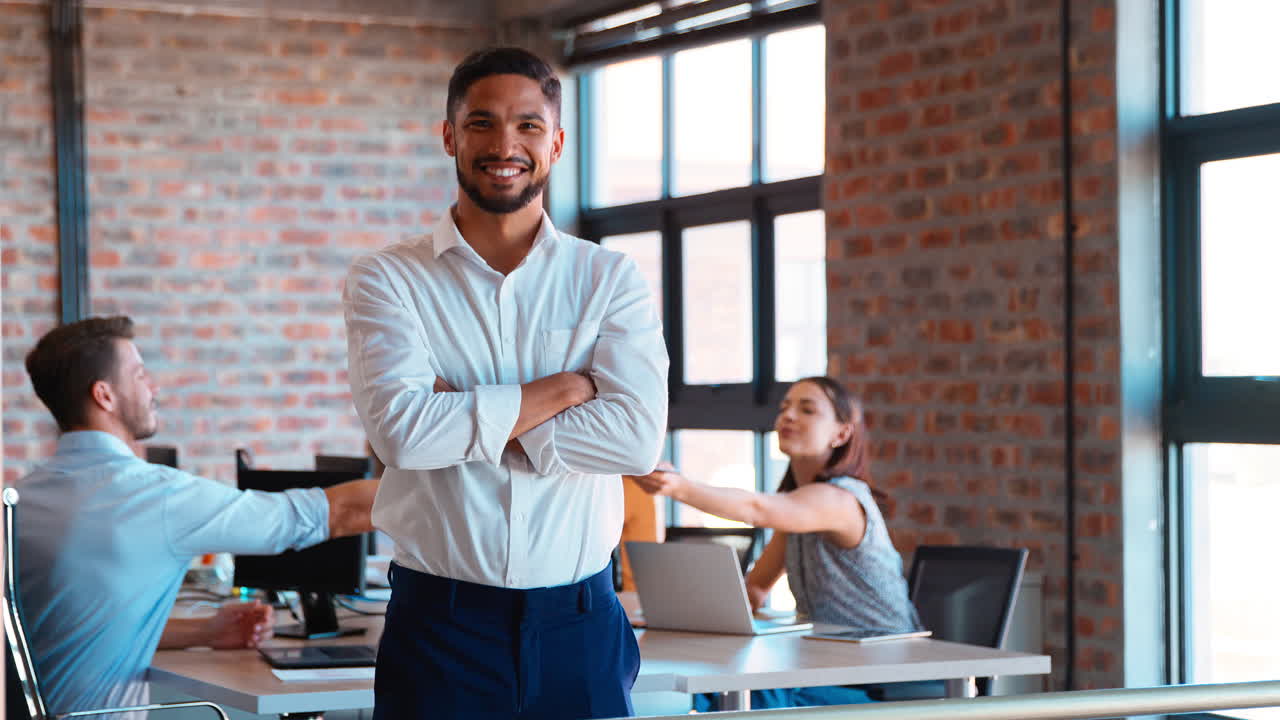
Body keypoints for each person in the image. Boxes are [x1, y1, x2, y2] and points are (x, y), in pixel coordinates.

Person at [343, 47, 667, 720]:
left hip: (580, 624)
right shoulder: (388, 278)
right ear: (449, 136)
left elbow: (635, 441)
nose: (504, 144)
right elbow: (403, 434)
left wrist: (465, 415)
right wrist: (562, 389)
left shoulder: (608, 279)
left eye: (526, 125)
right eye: (482, 123)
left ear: (556, 141)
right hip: (440, 625)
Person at [15, 316, 379, 718]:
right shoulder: (153, 495)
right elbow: (324, 515)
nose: (154, 388)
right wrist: (438, 480)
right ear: (105, 395)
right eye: (140, 375)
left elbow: (71, 631)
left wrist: (204, 631)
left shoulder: (24, 498)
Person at [632, 376, 921, 709]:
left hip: (883, 677)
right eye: (784, 407)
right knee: (714, 692)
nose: (789, 416)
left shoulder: (841, 500)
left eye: (807, 410)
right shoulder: (798, 508)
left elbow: (758, 509)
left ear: (841, 434)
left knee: (743, 697)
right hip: (829, 667)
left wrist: (679, 487)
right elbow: (754, 591)